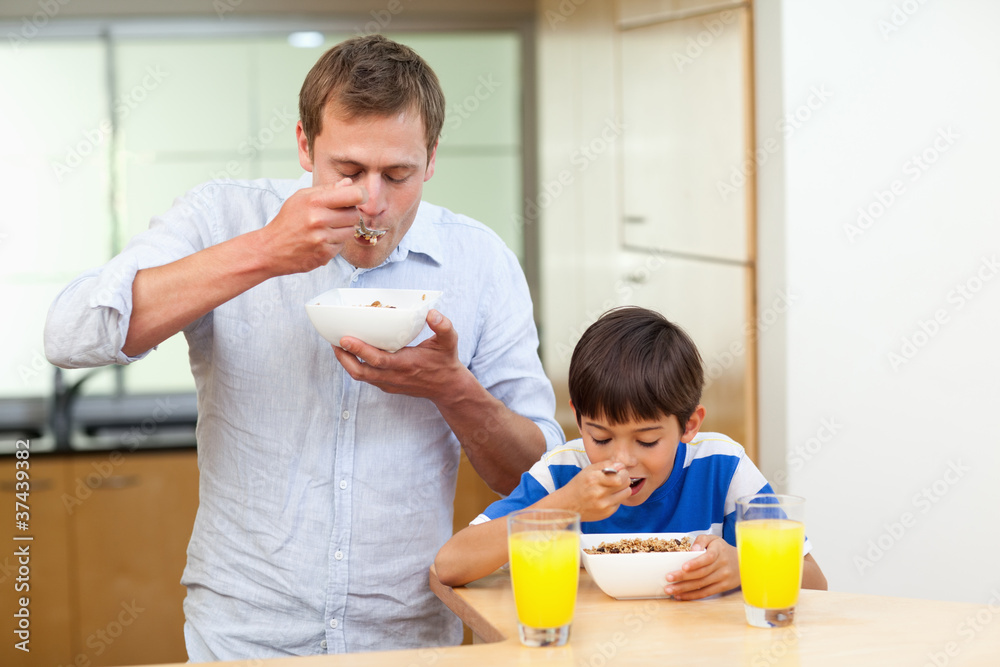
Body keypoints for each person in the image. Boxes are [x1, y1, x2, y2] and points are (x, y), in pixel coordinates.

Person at [44, 35, 564, 659]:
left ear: (430, 159)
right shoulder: (225, 217)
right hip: (243, 636)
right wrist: (263, 252)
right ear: (303, 146)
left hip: (409, 639)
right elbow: (70, 334)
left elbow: (542, 485)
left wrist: (454, 391)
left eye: (396, 175)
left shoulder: (479, 261)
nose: (372, 202)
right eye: (348, 171)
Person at [435, 306, 827, 597]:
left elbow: (815, 584)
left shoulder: (722, 467)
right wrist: (564, 506)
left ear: (689, 424)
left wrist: (745, 566)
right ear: (578, 417)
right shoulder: (562, 474)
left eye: (647, 441)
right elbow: (450, 566)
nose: (619, 460)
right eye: (601, 438)